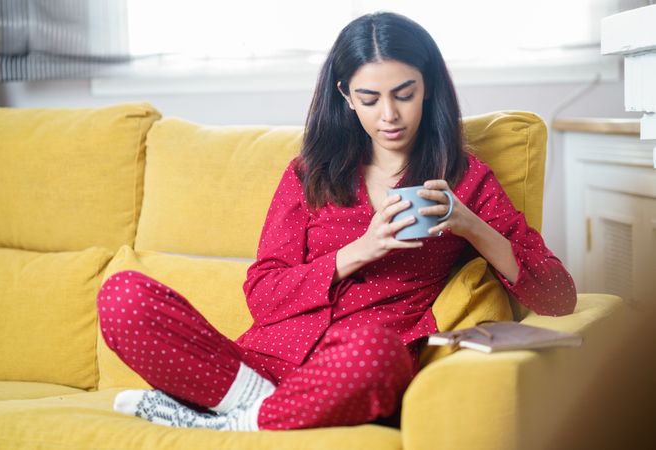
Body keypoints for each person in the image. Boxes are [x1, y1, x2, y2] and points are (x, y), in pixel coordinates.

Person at [97, 11, 577, 432]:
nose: (389, 115)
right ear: (346, 96)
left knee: (377, 349)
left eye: (404, 94)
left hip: (354, 371)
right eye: (369, 99)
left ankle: (229, 420)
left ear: (426, 86)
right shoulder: (310, 173)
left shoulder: (466, 180)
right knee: (122, 296)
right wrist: (357, 251)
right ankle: (256, 414)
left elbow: (558, 296)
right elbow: (262, 295)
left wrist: (470, 224)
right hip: (259, 364)